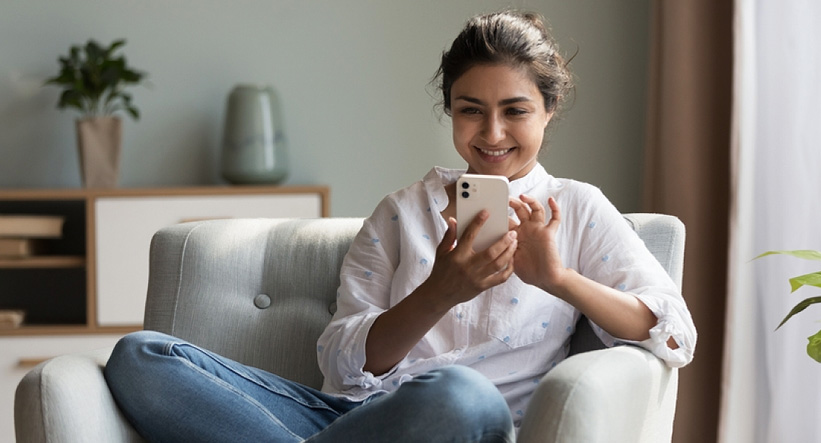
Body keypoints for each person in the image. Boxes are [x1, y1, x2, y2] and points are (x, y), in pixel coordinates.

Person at [104, 10, 696, 443]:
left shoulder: (579, 208)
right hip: (354, 423)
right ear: (450, 111)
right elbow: (341, 364)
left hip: (466, 421)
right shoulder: (399, 213)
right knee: (142, 354)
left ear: (548, 110)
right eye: (471, 110)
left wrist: (559, 279)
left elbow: (672, 333)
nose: (491, 134)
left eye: (514, 111)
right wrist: (442, 291)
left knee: (457, 393)